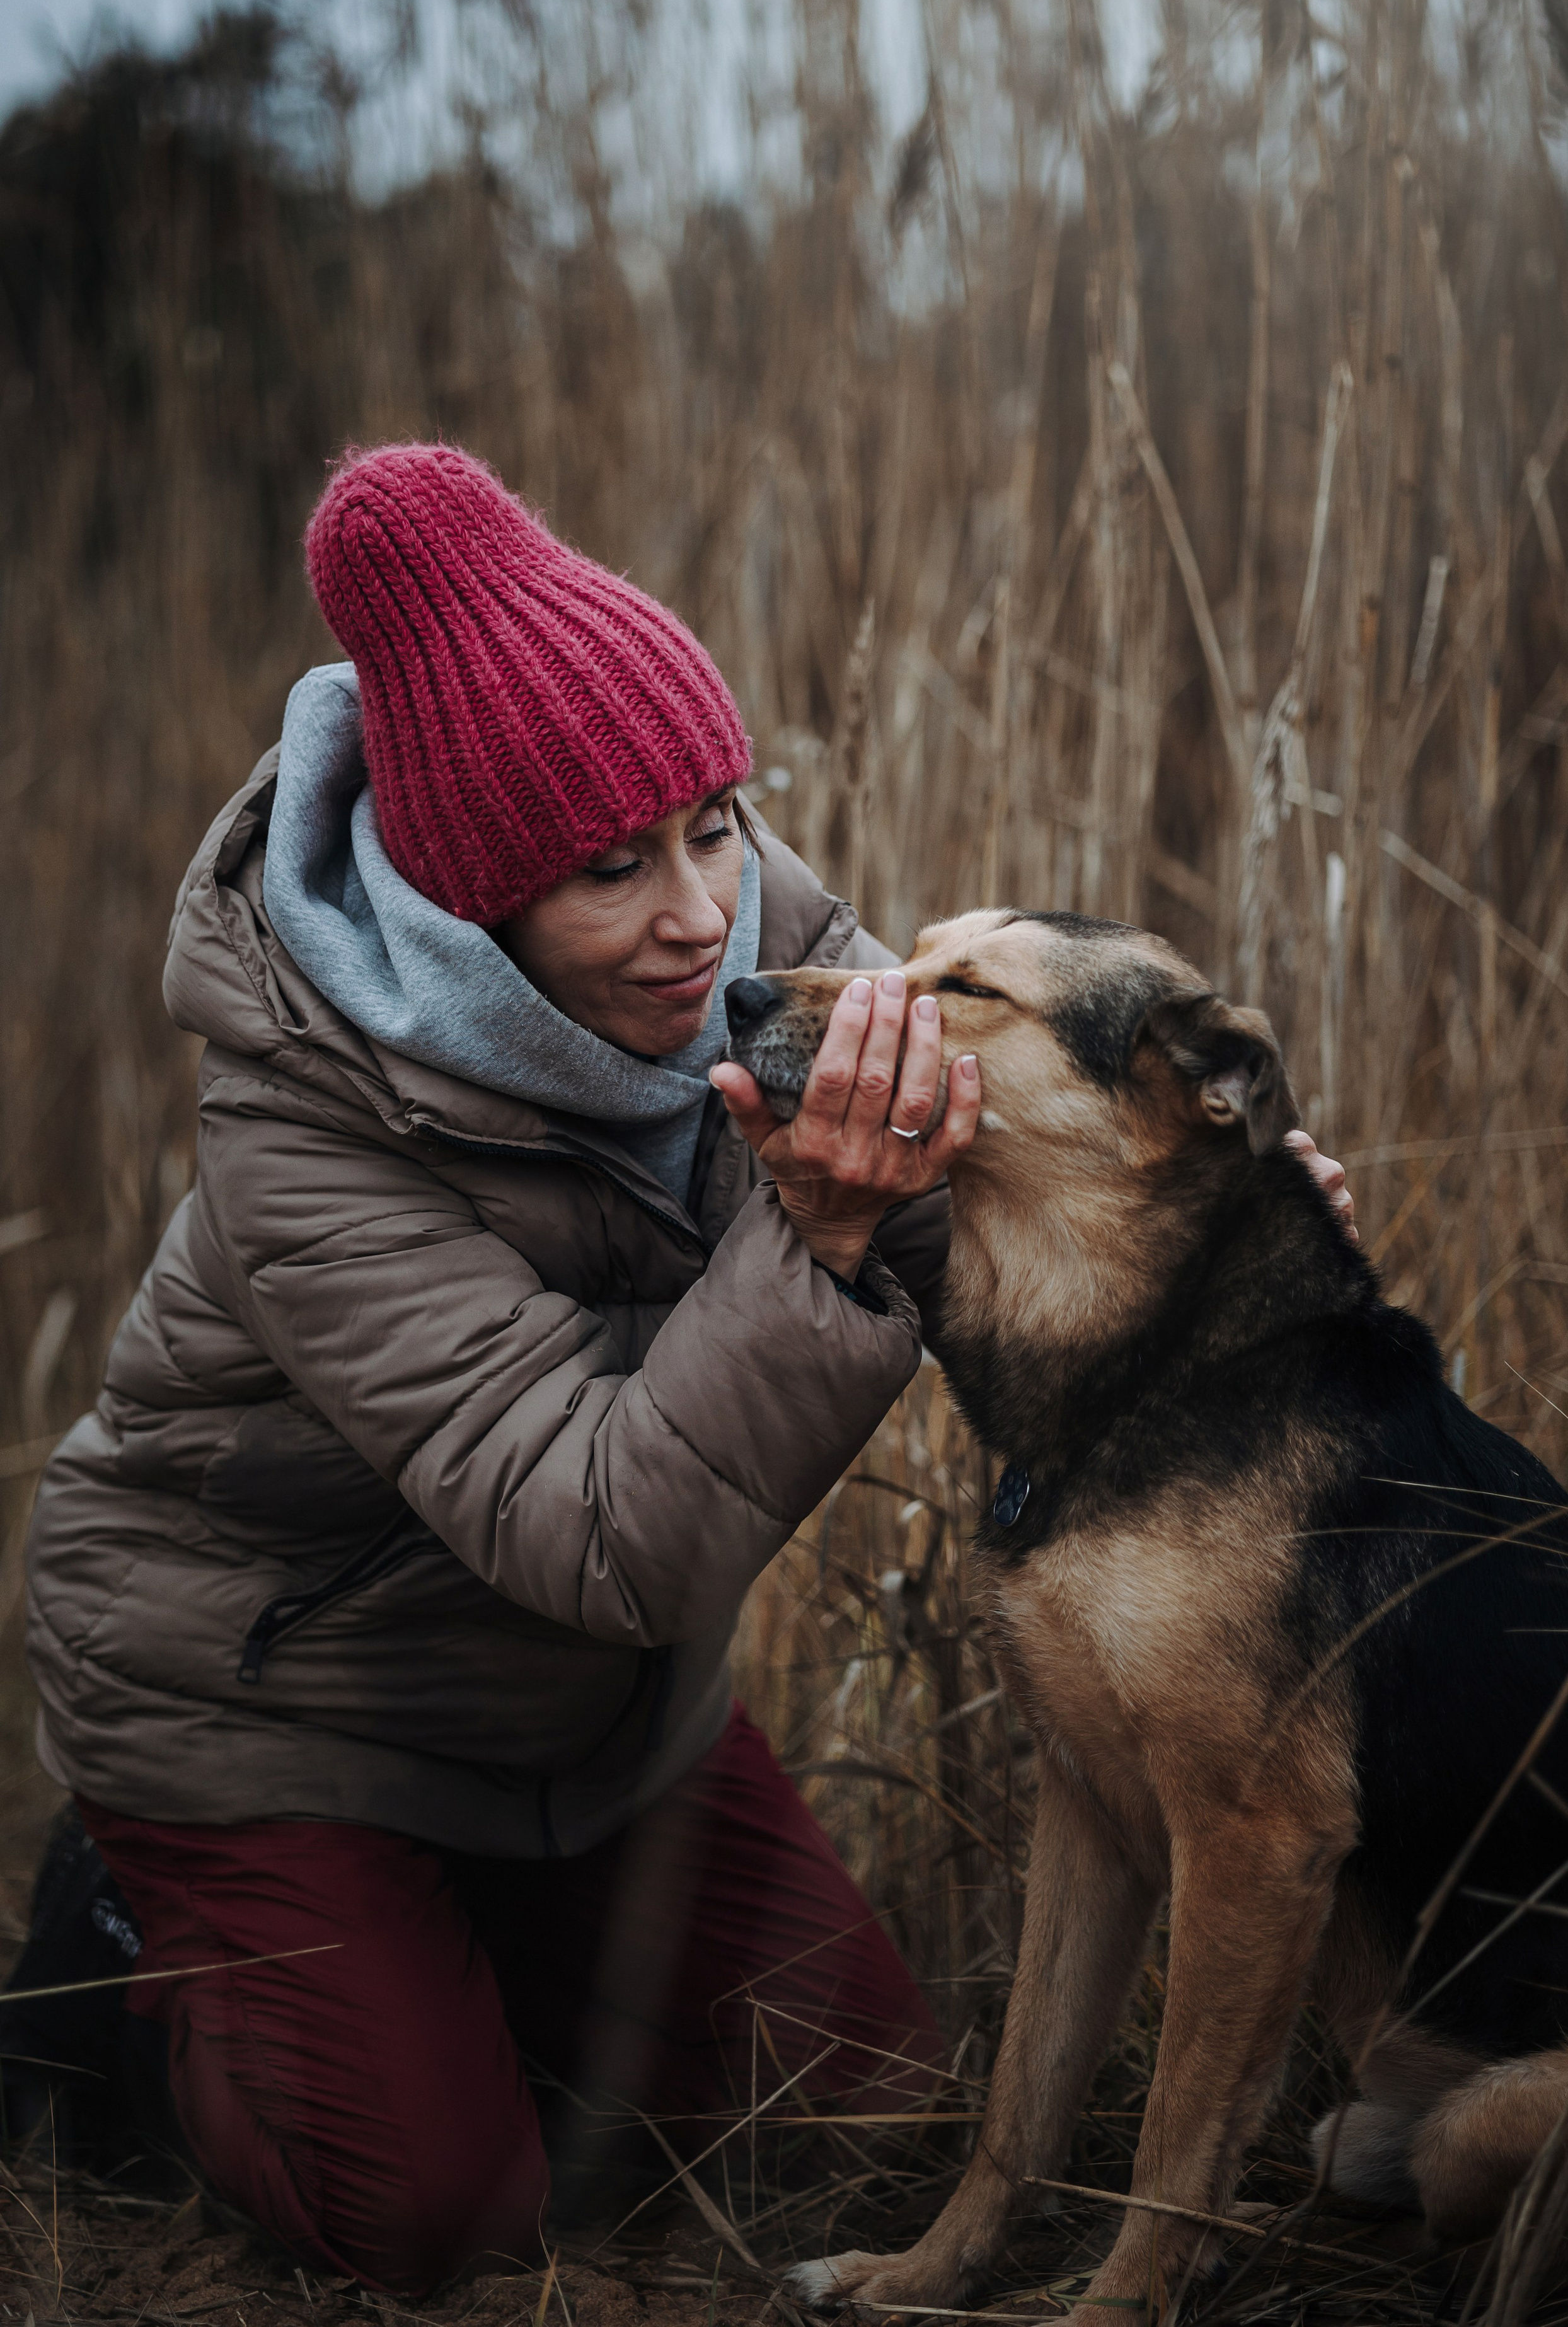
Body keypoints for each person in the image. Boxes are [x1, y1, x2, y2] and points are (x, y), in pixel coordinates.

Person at [20, 443, 1356, 2294]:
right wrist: (813, 1234)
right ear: (472, 899)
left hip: (591, 1730)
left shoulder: (759, 924)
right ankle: (121, 1963)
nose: (703, 915)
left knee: (863, 2114)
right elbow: (604, 1540)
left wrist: (1198, 1229)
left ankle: (475, 1960)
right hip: (278, 1706)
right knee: (439, 2211)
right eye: (610, 868)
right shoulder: (302, 1134)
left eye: (714, 822)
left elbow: (976, 1183)